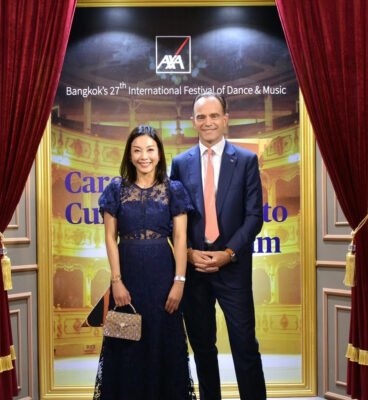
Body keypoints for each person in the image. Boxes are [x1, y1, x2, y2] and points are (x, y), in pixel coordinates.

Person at [170, 92, 267, 400]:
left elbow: (254, 217)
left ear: (226, 119)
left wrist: (228, 253)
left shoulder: (246, 161)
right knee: (202, 348)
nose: (208, 122)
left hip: (233, 269)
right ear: (193, 121)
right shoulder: (180, 163)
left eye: (214, 116)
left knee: (245, 346)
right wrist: (187, 253)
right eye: (201, 117)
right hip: (195, 270)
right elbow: (173, 217)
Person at [93, 125, 196, 400]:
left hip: (163, 278)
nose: (144, 156)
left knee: (164, 346)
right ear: (129, 155)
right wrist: (116, 281)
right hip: (127, 278)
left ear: (159, 154)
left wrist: (179, 282)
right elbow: (110, 237)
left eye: (150, 150)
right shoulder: (116, 189)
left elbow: (180, 237)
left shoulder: (174, 190)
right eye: (137, 150)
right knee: (125, 346)